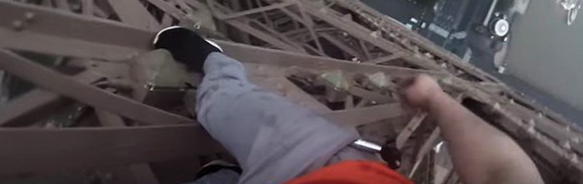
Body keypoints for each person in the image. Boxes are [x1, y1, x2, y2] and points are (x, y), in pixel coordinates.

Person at [153, 27, 545, 184]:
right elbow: (502, 171)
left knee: (227, 105)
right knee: (226, 108)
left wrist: (435, 99)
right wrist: (436, 99)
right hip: (327, 170)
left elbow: (504, 170)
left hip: (323, 167)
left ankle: (215, 69)